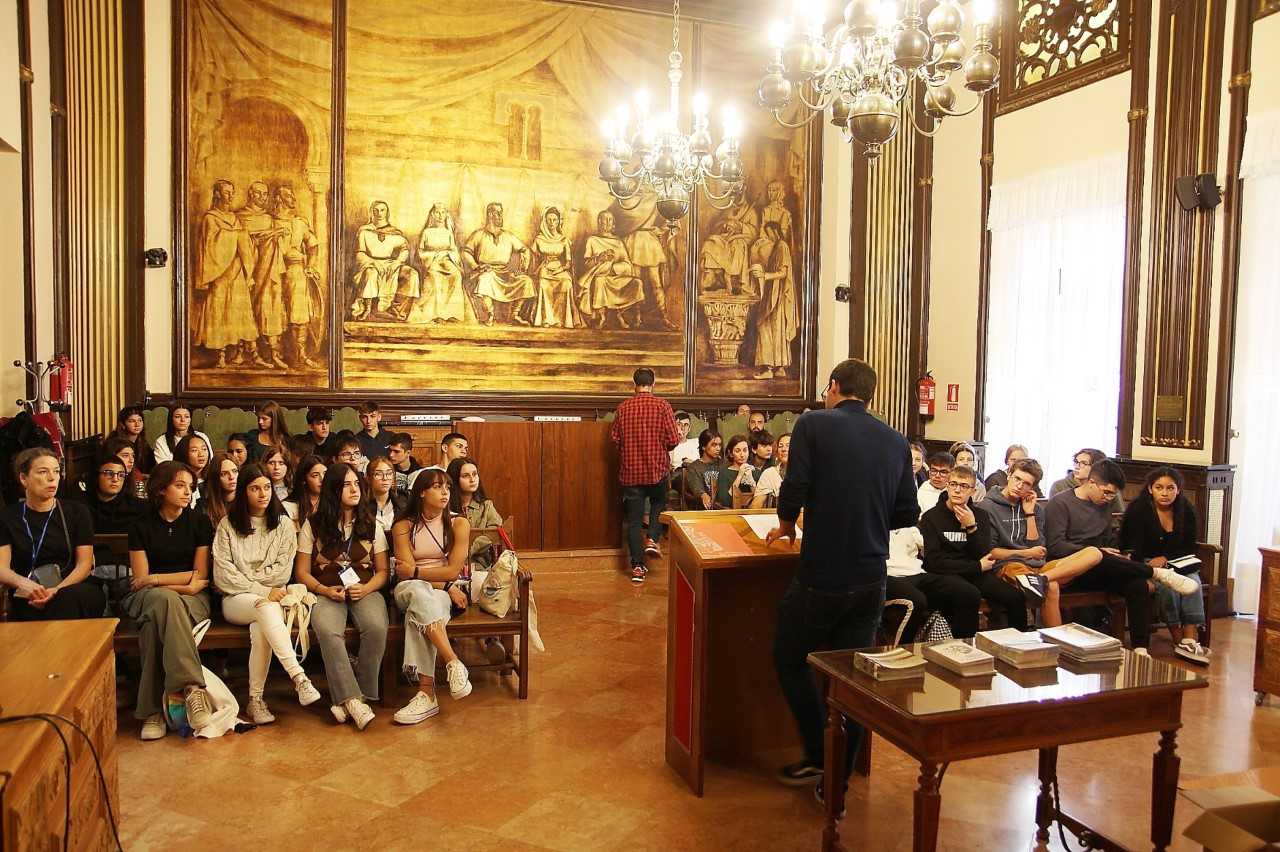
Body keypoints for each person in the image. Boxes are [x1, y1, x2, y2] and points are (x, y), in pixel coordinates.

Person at [765, 358, 918, 801]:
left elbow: (796, 484)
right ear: (868, 393)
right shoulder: (894, 440)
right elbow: (907, 512)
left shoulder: (814, 425)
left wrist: (789, 523)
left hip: (822, 572)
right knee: (851, 679)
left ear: (834, 387)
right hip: (871, 575)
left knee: (789, 659)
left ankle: (818, 751)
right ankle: (837, 781)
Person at [1045, 459, 1199, 653]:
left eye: (1113, 494)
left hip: (1104, 566)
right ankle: (1157, 573)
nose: (1109, 498)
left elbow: (1108, 538)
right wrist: (1098, 551)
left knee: (1137, 585)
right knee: (1097, 555)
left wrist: (1119, 554)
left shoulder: (1103, 504)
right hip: (1072, 570)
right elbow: (1056, 546)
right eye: (1107, 492)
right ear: (1091, 483)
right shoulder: (1060, 503)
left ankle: (1140, 648)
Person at [212, 462, 319, 723]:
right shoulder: (228, 525)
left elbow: (282, 572)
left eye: (267, 487)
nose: (263, 493)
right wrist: (260, 588)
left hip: (269, 601)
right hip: (235, 601)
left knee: (262, 623)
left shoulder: (283, 525)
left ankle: (255, 700)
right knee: (264, 605)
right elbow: (224, 575)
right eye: (254, 488)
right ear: (243, 493)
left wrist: (252, 581)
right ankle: (299, 677)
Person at [124, 461, 216, 740]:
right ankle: (191, 688)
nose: (187, 492)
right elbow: (140, 580)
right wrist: (178, 585)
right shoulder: (140, 525)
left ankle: (152, 712)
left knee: (154, 626)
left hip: (192, 600)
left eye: (190, 486)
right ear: (161, 490)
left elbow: (199, 576)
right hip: (148, 599)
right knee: (164, 601)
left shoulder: (199, 522)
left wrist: (157, 579)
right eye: (179, 486)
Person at [294, 463, 390, 730]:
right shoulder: (313, 525)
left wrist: (368, 588)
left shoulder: (372, 524)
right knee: (328, 631)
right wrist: (323, 590)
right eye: (347, 484)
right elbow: (302, 572)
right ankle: (353, 700)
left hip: (364, 589)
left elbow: (383, 571)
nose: (354, 489)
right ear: (333, 490)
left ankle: (355, 697)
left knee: (376, 627)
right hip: (326, 591)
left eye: (357, 484)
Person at [978, 458, 1106, 627]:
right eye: (1017, 479)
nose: (1019, 486)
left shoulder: (1035, 508)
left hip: (1038, 568)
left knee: (1094, 553)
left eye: (1026, 484)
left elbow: (1038, 546)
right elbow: (991, 552)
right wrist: (1026, 553)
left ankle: (1041, 580)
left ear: (1032, 487)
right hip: (1008, 565)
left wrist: (1029, 513)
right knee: (1051, 587)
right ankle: (1058, 643)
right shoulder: (987, 507)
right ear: (1008, 475)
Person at [390, 469, 474, 724]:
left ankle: (426, 694)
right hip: (411, 588)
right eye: (438, 487)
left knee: (422, 607)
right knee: (417, 592)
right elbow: (405, 576)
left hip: (441, 590)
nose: (445, 492)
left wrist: (420, 571)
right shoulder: (403, 526)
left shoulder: (459, 523)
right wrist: (445, 584)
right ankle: (453, 662)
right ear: (422, 492)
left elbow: (452, 570)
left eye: (447, 487)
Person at [919, 464, 1028, 633]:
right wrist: (976, 566)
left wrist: (971, 527)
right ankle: (966, 650)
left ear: (973, 490)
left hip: (975, 573)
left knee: (1015, 597)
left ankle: (1019, 646)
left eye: (964, 486)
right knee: (969, 594)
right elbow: (933, 562)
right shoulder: (930, 517)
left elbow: (983, 554)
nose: (957, 490)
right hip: (945, 574)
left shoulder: (980, 516)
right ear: (947, 485)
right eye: (953, 484)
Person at [0, 448, 103, 620]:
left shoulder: (77, 512)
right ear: (23, 478)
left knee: (67, 599)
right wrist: (25, 584)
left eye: (56, 471)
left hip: (73, 587)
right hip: (30, 592)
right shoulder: (8, 517)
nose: (52, 478)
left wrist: (56, 590)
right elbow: (2, 568)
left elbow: (84, 566)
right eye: (43, 472)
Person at [1121, 466, 1209, 664]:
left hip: (1178, 561)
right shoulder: (1138, 509)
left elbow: (1189, 545)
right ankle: (1178, 637)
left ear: (1178, 490)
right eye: (1159, 487)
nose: (1165, 493)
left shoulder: (1186, 509)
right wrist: (1153, 561)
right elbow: (1130, 545)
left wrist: (1167, 557)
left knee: (1192, 582)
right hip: (1147, 562)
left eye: (1171, 488)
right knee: (1168, 588)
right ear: (1151, 489)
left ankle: (1189, 638)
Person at [610, 367, 680, 583]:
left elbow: (615, 439)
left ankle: (638, 568)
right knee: (659, 503)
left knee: (633, 521)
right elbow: (673, 440)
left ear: (634, 384)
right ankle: (652, 538)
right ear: (653, 384)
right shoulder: (662, 406)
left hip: (631, 473)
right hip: (656, 470)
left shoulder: (623, 408)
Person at [192, 179, 259, 369]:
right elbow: (209, 246)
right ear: (218, 194)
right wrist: (236, 235)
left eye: (232, 192)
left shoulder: (234, 218)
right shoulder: (210, 218)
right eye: (227, 192)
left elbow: (244, 241)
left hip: (236, 272)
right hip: (219, 273)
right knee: (219, 314)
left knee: (238, 312)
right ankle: (220, 356)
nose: (230, 196)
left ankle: (243, 352)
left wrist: (243, 238)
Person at [884, 526, 981, 643]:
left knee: (968, 593)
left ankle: (964, 648)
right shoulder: (872, 521)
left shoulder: (909, 527)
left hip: (917, 572)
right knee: (917, 601)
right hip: (887, 575)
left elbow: (930, 553)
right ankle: (903, 653)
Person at [80, 454, 146, 596]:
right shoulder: (80, 507)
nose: (115, 479)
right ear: (97, 476)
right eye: (108, 473)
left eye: (121, 475)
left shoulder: (138, 507)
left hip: (129, 571)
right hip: (89, 570)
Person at [273, 184, 324, 368]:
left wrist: (310, 265)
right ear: (279, 199)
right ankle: (275, 354)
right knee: (274, 311)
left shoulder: (299, 222)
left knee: (299, 311)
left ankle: (301, 353)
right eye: (288, 196)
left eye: (293, 196)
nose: (293, 199)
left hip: (296, 270)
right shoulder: (269, 221)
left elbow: (313, 245)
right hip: (273, 270)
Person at [464, 202, 535, 326]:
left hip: (505, 272)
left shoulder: (508, 235)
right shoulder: (478, 235)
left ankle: (515, 314)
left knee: (526, 281)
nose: (500, 215)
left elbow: (525, 250)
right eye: (498, 213)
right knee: (484, 279)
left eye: (501, 213)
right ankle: (489, 315)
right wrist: (476, 266)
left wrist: (522, 268)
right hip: (486, 271)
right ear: (490, 214)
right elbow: (465, 252)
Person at [352, 200, 419, 321]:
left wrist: (397, 262)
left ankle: (396, 308)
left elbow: (405, 249)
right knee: (371, 274)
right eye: (376, 210)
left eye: (382, 210)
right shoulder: (364, 231)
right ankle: (368, 308)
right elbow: (359, 253)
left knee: (411, 274)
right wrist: (373, 262)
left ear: (387, 212)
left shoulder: (393, 232)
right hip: (371, 263)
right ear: (371, 212)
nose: (379, 213)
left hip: (390, 263)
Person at [749, 220, 798, 379]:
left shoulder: (782, 246)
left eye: (770, 233)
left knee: (770, 328)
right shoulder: (778, 247)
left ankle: (770, 368)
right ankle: (779, 368)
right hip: (774, 293)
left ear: (776, 232)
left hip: (779, 295)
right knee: (775, 330)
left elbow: (783, 273)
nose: (768, 236)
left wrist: (765, 275)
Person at [411, 203, 471, 324]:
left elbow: (454, 250)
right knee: (434, 278)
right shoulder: (427, 232)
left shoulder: (448, 233)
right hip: (432, 262)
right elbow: (420, 252)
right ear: (433, 214)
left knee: (456, 276)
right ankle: (436, 314)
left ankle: (452, 313)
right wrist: (434, 256)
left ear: (446, 215)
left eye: (443, 213)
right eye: (437, 212)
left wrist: (446, 255)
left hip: (447, 261)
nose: (440, 215)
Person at [447, 457, 503, 570]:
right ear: (454, 479)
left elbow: (494, 532)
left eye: (475, 474)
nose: (472, 479)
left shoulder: (486, 505)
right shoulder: (445, 505)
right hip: (448, 562)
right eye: (466, 476)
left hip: (479, 563)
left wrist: (468, 549)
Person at [532, 206, 581, 328]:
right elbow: (533, 257)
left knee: (566, 284)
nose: (552, 223)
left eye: (554, 220)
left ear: (559, 221)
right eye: (549, 220)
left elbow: (568, 263)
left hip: (560, 268)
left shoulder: (563, 240)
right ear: (545, 221)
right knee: (543, 285)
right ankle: (546, 319)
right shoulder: (539, 239)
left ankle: (561, 319)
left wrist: (559, 270)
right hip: (545, 267)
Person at [1049, 448, 1124, 513]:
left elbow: (1117, 516)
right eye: (1076, 462)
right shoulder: (1059, 486)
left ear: (1096, 467)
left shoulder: (1108, 488)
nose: (1077, 467)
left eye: (1083, 463)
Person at [678, 430, 722, 510]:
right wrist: (703, 495)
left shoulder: (723, 464)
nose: (718, 448)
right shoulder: (694, 467)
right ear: (703, 447)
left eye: (719, 445)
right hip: (701, 509)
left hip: (722, 507)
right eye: (714, 445)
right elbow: (696, 488)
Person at [715, 434, 759, 510]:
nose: (742, 455)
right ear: (731, 453)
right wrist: (740, 475)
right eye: (737, 451)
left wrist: (750, 479)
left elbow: (760, 501)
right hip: (731, 514)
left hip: (754, 514)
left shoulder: (756, 472)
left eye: (745, 450)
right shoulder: (724, 473)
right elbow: (725, 502)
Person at [110, 405, 155, 474]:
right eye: (132, 421)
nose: (137, 424)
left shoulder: (143, 442)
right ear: (123, 424)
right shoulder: (114, 443)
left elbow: (151, 466)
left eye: (140, 420)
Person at [284, 455, 326, 528]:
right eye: (315, 475)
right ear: (304, 480)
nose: (322, 479)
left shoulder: (334, 503)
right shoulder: (289, 507)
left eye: (325, 473)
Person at [172, 434, 212, 510]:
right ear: (183, 453)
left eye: (204, 449)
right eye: (194, 450)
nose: (201, 454)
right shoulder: (175, 479)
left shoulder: (212, 478)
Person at [366, 456, 404, 533]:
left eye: (389, 473)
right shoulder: (362, 504)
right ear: (369, 478)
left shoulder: (403, 501)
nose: (385, 478)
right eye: (378, 474)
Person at [201, 452, 238, 528]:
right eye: (224, 474)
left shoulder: (248, 502)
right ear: (215, 477)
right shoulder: (203, 507)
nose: (231, 477)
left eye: (235, 471)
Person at [753, 433, 790, 508]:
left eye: (788, 445)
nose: (784, 449)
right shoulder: (769, 473)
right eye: (780, 446)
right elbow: (756, 506)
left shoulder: (808, 472)